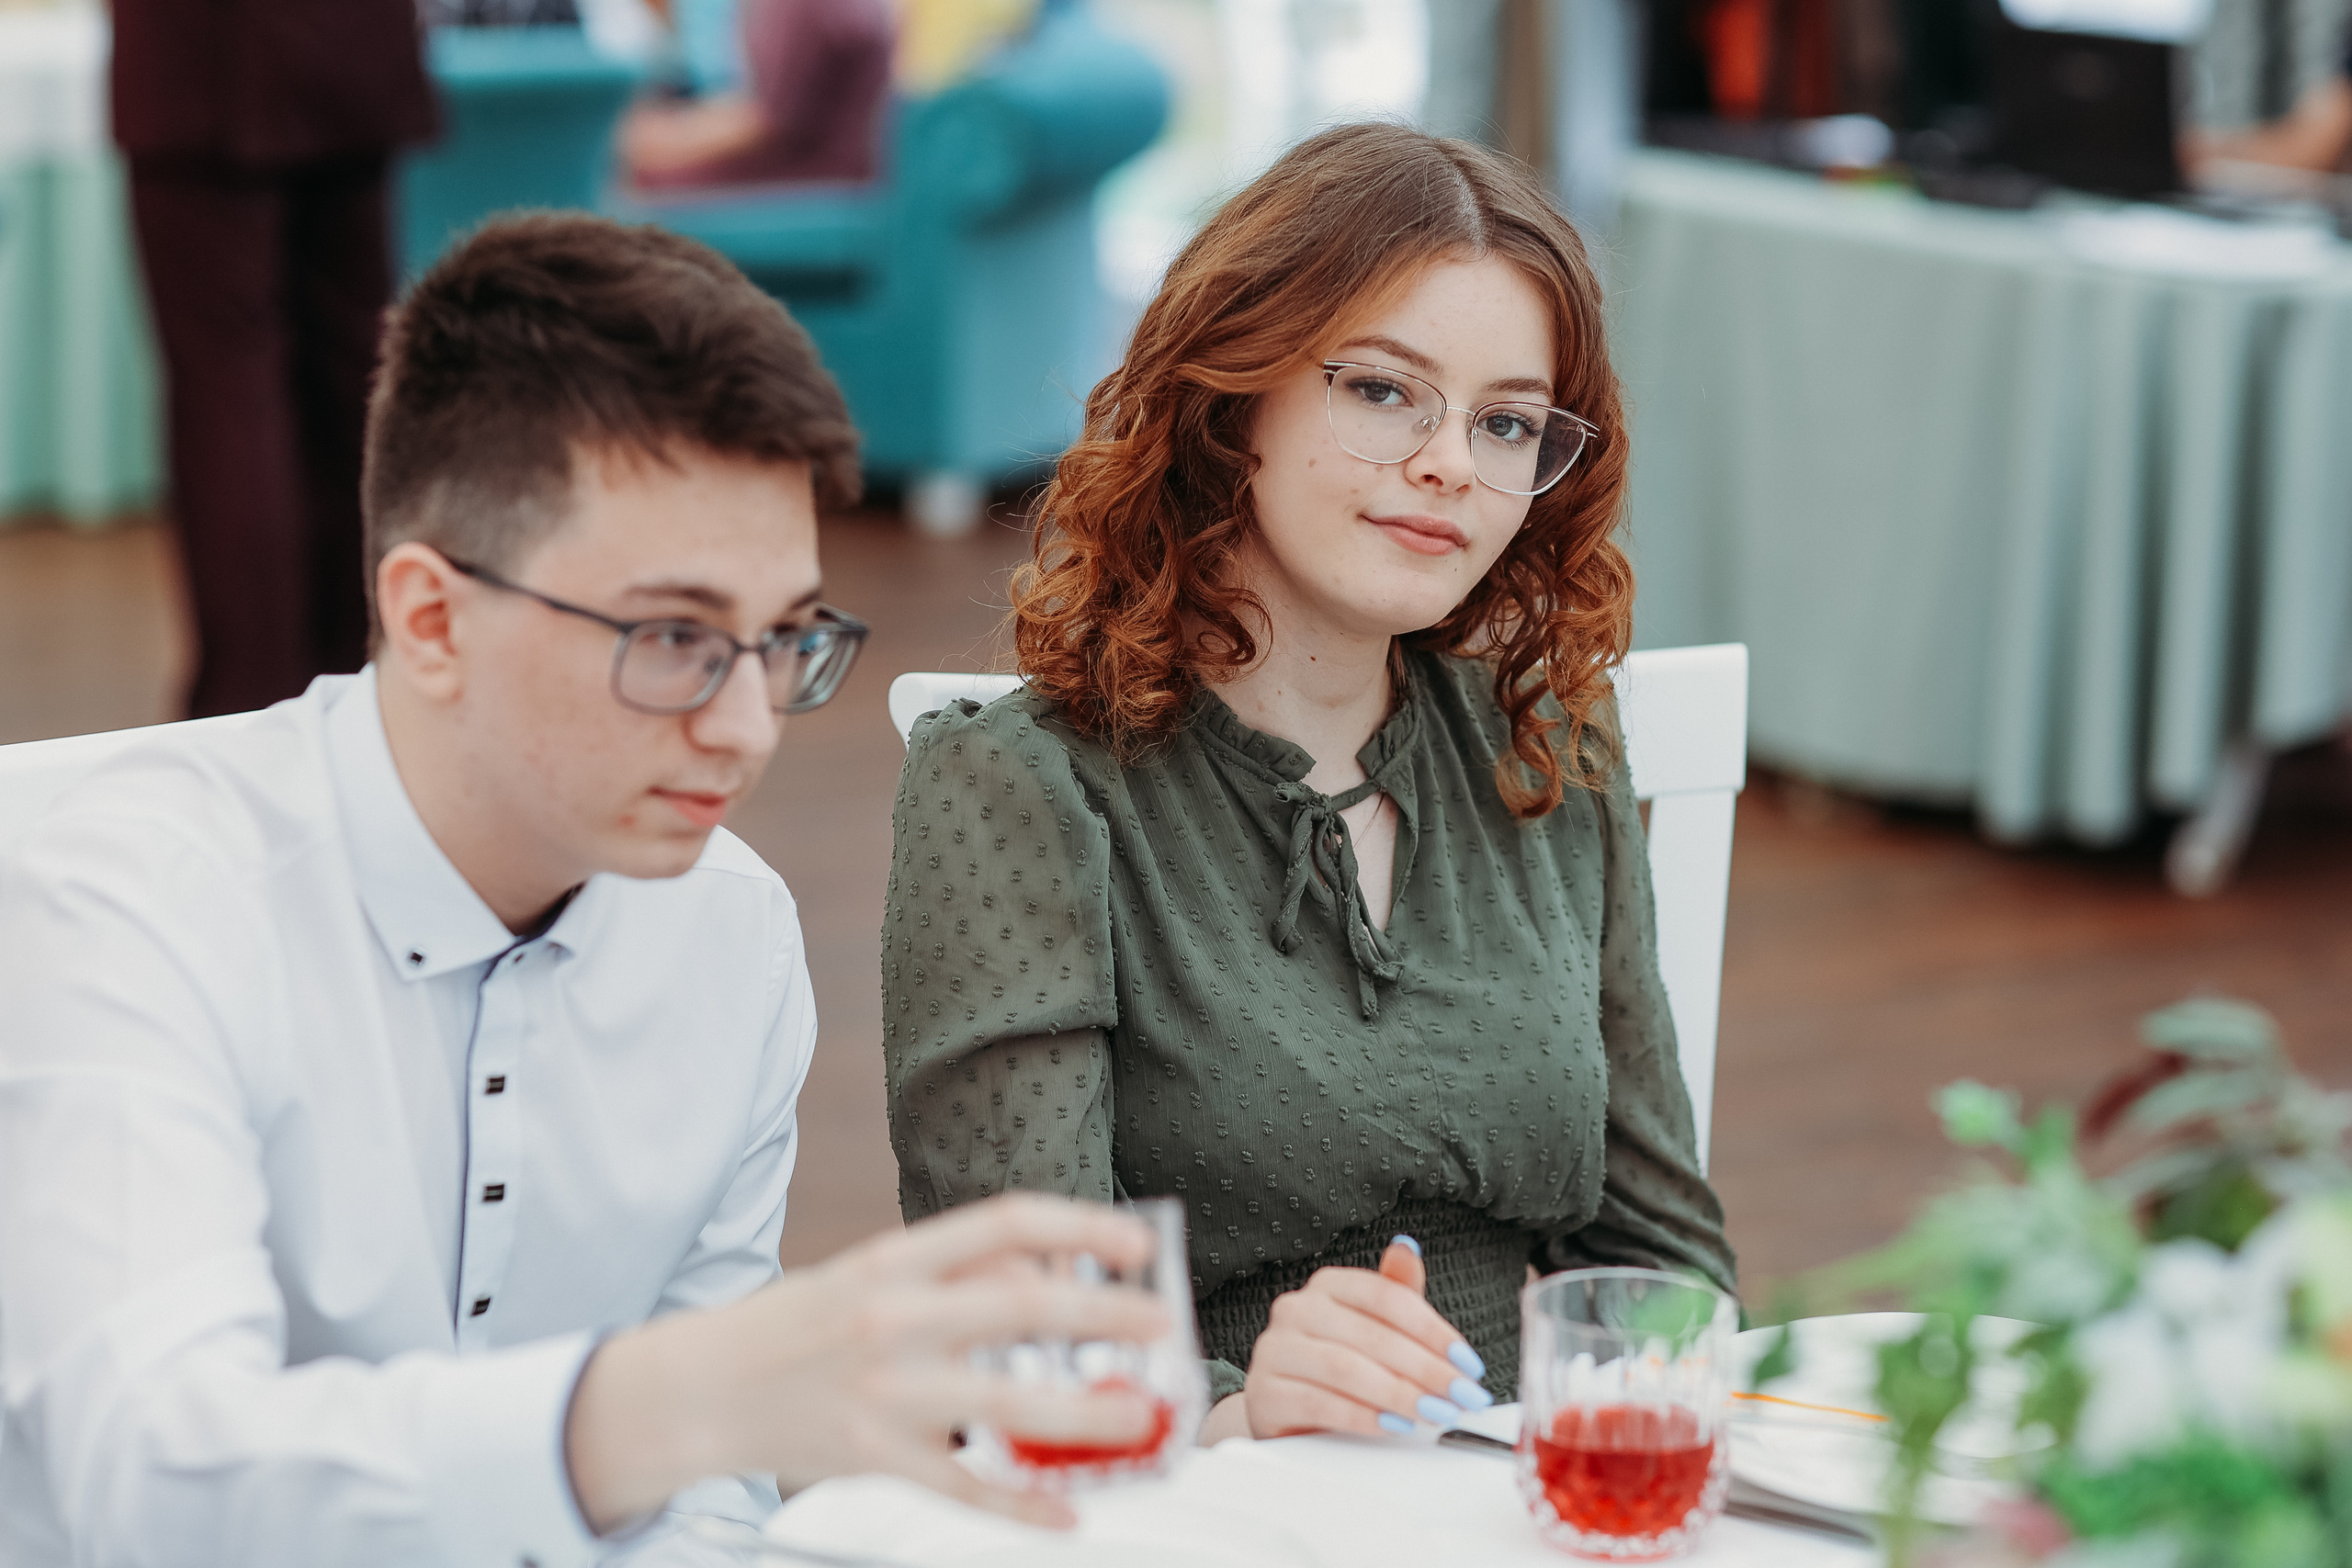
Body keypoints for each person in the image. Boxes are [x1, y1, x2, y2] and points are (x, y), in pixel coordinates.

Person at [0, 213, 1166, 1567]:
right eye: (673, 636)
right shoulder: (118, 897)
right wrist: (673, 1399)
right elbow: (151, 1470)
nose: (747, 725)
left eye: (782, 637)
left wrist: (705, 1437)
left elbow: (707, 1495)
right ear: (432, 618)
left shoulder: (729, 929)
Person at [879, 121, 1736, 1447]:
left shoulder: (1549, 746)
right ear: (1235, 395)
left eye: (1507, 421)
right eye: (1384, 390)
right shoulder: (1020, 791)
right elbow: (1025, 1336)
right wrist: (1239, 1413)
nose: (1451, 460)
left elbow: (1668, 1274)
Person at [111, 0, 438, 717]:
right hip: (351, 50)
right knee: (353, 370)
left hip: (201, 60)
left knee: (227, 384)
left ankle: (249, 710)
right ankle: (361, 691)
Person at [620, 0, 895, 190]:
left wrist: (662, 140)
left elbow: (769, 124)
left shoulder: (805, 7)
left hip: (817, 181)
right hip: (843, 173)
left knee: (626, 184)